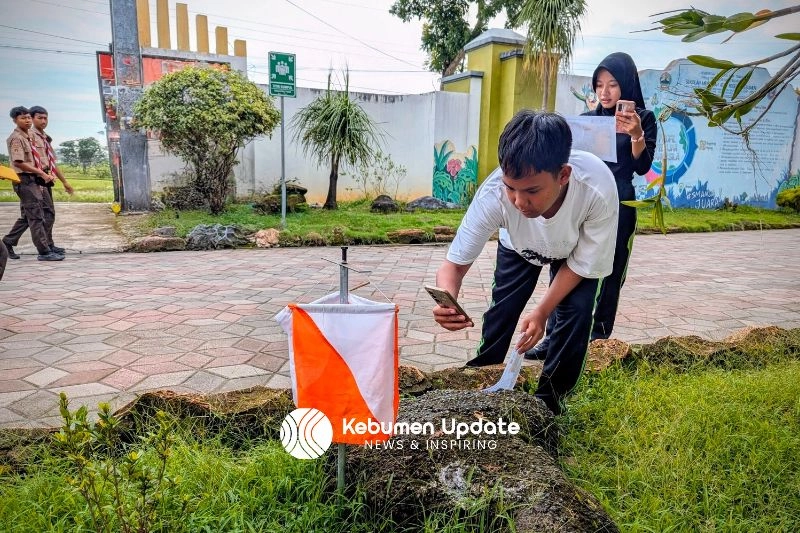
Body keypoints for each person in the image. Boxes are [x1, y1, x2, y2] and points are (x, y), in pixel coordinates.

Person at [432, 110, 618, 415]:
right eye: (511, 187)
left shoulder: (597, 189)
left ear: (563, 175)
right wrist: (447, 299)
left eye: (532, 191)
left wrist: (543, 311)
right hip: (519, 248)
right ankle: (482, 384)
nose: (518, 202)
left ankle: (549, 406)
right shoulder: (494, 195)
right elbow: (453, 266)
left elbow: (583, 266)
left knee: (576, 314)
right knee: (502, 313)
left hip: (573, 254)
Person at [525, 52, 656, 360]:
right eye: (599, 85)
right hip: (581, 202)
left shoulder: (644, 119)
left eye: (613, 85)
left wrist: (636, 134)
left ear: (626, 86)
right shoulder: (586, 121)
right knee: (563, 264)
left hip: (620, 202)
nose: (605, 92)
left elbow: (642, 168)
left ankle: (597, 340)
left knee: (610, 272)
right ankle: (553, 338)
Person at [3, 106, 73, 258]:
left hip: (38, 179)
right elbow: (20, 162)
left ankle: (8, 242)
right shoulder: (17, 138)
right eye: (24, 118)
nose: (27, 121)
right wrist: (42, 173)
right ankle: (44, 251)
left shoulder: (31, 137)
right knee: (35, 216)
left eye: (28, 117)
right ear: (15, 120)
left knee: (37, 214)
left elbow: (46, 160)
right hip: (25, 179)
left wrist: (46, 176)